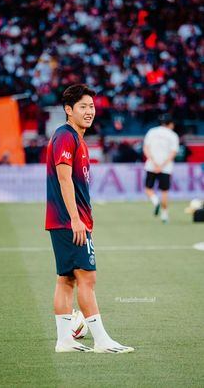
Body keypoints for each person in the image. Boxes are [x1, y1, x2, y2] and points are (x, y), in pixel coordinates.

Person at [45, 84, 134, 353]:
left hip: (63, 220)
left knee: (66, 279)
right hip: (69, 221)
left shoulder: (77, 139)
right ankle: (102, 341)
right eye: (83, 106)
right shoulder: (65, 136)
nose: (89, 111)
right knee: (87, 278)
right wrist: (75, 218)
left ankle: (64, 340)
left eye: (92, 106)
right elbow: (63, 178)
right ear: (68, 110)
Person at [143, 113, 179, 222]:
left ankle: (155, 201)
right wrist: (162, 165)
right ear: (171, 124)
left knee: (148, 189)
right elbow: (173, 153)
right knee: (164, 192)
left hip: (151, 166)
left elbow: (146, 148)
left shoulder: (152, 131)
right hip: (165, 167)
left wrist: (154, 163)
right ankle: (164, 215)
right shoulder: (173, 135)